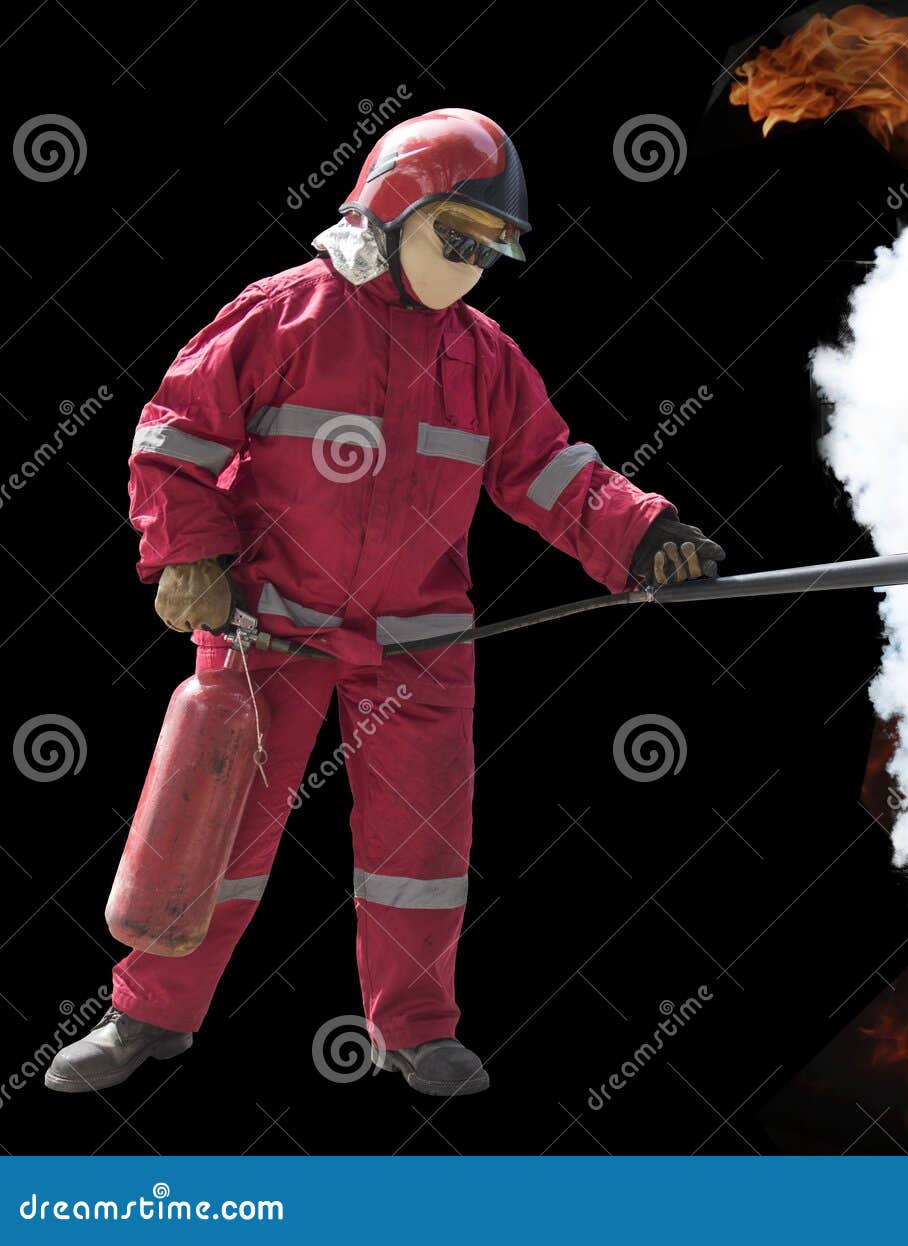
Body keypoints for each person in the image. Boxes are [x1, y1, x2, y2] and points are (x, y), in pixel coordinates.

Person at [47, 108, 723, 1098]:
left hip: (419, 643)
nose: (473, 269)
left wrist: (644, 535)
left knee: (422, 852)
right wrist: (188, 555)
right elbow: (173, 437)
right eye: (459, 239)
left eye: (489, 253)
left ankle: (414, 1029)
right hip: (264, 629)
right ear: (393, 208)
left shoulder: (483, 358)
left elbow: (551, 472)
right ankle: (149, 1015)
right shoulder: (280, 316)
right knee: (213, 833)